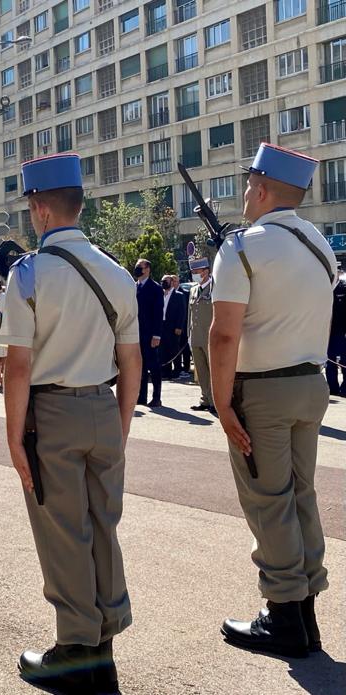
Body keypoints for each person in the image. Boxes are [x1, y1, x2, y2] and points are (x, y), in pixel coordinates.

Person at [0, 154, 140, 694]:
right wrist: (120, 423)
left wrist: (13, 436)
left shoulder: (29, 275)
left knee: (63, 532)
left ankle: (76, 653)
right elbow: (131, 362)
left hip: (51, 413)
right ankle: (102, 643)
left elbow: (18, 365)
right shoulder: (118, 274)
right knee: (102, 525)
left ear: (39, 210)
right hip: (103, 406)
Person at [211, 144, 336, 658]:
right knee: (300, 496)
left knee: (269, 502)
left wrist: (221, 404)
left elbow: (223, 336)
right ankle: (304, 613)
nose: (243, 194)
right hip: (311, 382)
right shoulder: (320, 244)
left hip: (262, 390)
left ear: (261, 189)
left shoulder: (243, 247)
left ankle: (284, 617)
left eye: (247, 185)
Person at [134, 258, 164, 407]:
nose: (137, 269)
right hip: (137, 334)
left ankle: (157, 397)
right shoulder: (134, 287)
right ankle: (142, 396)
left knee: (154, 366)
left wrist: (156, 335)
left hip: (151, 334)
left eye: (140, 267)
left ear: (147, 270)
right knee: (141, 366)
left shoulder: (155, 288)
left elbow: (158, 313)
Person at [187, 258, 215, 412]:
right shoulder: (193, 289)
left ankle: (215, 401)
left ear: (206, 271)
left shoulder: (214, 288)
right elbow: (190, 315)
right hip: (196, 337)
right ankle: (205, 399)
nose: (194, 275)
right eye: (193, 272)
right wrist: (188, 335)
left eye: (196, 272)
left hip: (210, 337)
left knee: (213, 371)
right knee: (201, 371)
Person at [160, 274, 187, 380]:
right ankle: (165, 372)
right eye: (162, 281)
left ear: (172, 283)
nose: (163, 283)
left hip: (173, 326)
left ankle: (176, 371)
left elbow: (182, 312)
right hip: (162, 326)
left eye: (166, 281)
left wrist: (179, 326)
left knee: (174, 349)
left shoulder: (179, 295)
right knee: (163, 349)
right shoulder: (160, 295)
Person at [327, 265, 346, 396]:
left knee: (345, 360)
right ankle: (332, 388)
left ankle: (345, 389)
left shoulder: (344, 287)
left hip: (343, 330)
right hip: (329, 331)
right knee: (330, 361)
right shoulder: (326, 288)